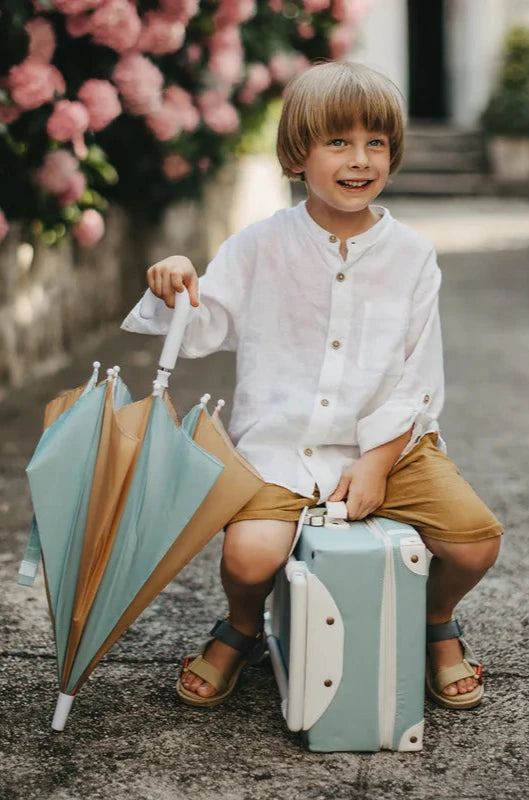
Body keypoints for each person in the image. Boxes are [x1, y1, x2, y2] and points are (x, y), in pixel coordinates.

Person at [134, 61, 503, 711]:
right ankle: (241, 626)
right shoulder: (257, 245)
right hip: (283, 440)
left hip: (392, 440)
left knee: (475, 542)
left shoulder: (412, 254)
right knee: (250, 558)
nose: (359, 159)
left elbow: (418, 374)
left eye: (375, 143)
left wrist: (378, 462)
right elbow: (201, 328)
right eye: (337, 142)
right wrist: (176, 281)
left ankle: (434, 621)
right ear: (296, 154)